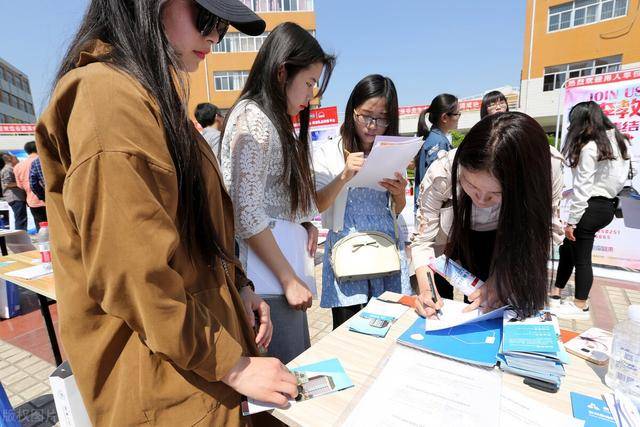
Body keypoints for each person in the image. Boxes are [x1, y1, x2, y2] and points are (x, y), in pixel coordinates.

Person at [34, 1, 300, 425]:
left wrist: (238, 289)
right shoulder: (109, 97)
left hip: (192, 369)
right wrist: (233, 364)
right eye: (207, 17)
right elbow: (133, 273)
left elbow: (189, 239)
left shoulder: (149, 96)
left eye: (223, 25)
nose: (215, 35)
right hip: (168, 385)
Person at [221, 22, 335, 363]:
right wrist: (288, 280)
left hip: (277, 274)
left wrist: (303, 223)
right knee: (282, 386)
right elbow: (248, 213)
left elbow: (272, 198)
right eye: (309, 83)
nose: (311, 95)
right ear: (283, 72)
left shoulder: (271, 119)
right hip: (265, 282)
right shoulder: (254, 120)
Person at [412, 112, 564, 319]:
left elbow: (540, 231)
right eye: (471, 185)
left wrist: (502, 279)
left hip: (515, 240)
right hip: (462, 239)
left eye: (496, 194)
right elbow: (423, 240)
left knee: (507, 306)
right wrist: (426, 290)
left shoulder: (546, 166)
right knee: (476, 305)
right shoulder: (443, 171)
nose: (481, 200)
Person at [312, 74, 412, 329]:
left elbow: (396, 211)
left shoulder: (392, 151)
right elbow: (318, 205)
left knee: (391, 328)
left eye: (381, 119)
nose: (372, 125)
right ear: (352, 110)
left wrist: (399, 194)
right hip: (348, 255)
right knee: (348, 333)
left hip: (386, 252)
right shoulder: (328, 150)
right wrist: (343, 176)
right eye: (366, 115)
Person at [551, 101, 631, 319]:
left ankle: (580, 304)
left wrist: (572, 221)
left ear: (584, 123)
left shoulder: (590, 147)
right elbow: (612, 179)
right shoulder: (620, 141)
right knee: (568, 248)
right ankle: (556, 291)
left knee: (582, 258)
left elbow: (584, 187)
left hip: (590, 207)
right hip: (607, 206)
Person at [413, 94, 459, 210]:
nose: (459, 117)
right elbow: (438, 182)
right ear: (444, 118)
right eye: (457, 114)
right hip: (433, 210)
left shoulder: (434, 138)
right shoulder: (439, 142)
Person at [14, 141, 47, 229]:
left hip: (33, 201)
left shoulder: (18, 166)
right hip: (50, 199)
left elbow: (20, 186)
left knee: (41, 228)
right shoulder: (45, 160)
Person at [1, 153, 28, 230]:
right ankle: (20, 238)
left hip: (18, 197)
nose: (18, 160)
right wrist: (22, 183)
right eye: (15, 158)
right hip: (15, 197)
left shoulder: (12, 168)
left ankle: (21, 237)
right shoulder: (7, 169)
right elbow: (7, 183)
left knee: (21, 218)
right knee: (21, 219)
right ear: (10, 159)